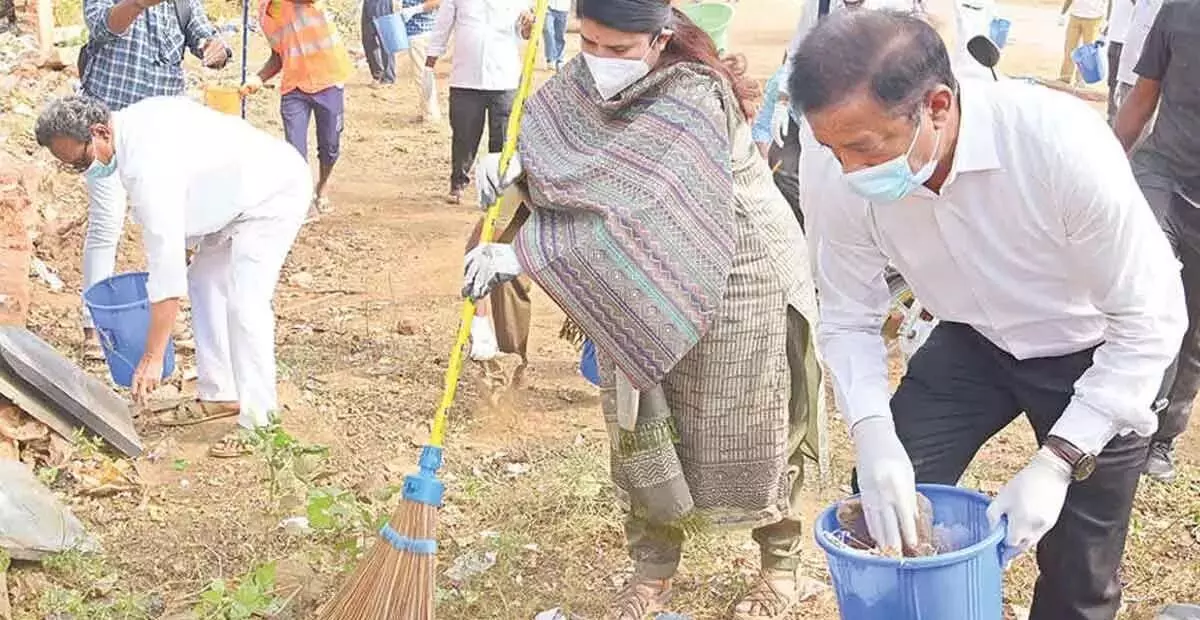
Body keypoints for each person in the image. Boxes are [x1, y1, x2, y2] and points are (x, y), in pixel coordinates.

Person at [791, 11, 1183, 620]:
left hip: (1097, 346)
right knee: (885, 506)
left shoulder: (1060, 145)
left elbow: (1151, 320)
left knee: (1079, 570)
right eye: (831, 149)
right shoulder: (840, 165)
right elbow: (847, 316)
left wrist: (1058, 461)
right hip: (972, 338)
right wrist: (872, 437)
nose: (848, 170)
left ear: (938, 105)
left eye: (865, 148)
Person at [464, 1, 824, 618]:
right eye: (591, 44)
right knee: (641, 413)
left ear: (660, 39)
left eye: (619, 49)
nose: (601, 61)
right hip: (633, 274)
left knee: (752, 421)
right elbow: (575, 156)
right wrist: (516, 165)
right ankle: (651, 571)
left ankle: (781, 567)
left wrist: (526, 258)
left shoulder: (693, 96)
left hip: (739, 270)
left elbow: (646, 205)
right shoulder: (585, 78)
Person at [35, 95, 312, 458]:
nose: (83, 171)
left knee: (246, 303)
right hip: (234, 199)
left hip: (272, 193)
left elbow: (167, 278)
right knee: (203, 281)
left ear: (100, 132)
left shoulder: (146, 167)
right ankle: (220, 392)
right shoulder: (131, 124)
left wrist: (152, 357)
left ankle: (260, 422)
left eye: (81, 161)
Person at [78, 0, 229, 362]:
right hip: (107, 129)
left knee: (171, 227)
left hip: (162, 138)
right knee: (106, 223)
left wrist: (214, 49)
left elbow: (203, 36)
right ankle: (94, 328)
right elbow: (102, 26)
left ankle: (163, 322)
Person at [1114, 0, 1200, 483]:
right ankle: (1128, 419)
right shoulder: (1180, 10)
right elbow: (1144, 96)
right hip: (1162, 173)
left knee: (1193, 328)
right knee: (1148, 295)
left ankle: (1163, 435)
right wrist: (1103, 164)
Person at [243, 0, 353, 218]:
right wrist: (258, 78)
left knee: (330, 146)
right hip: (294, 87)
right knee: (294, 152)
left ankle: (322, 186)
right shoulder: (265, 14)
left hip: (328, 79)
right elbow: (278, 56)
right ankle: (303, 200)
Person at [426, 0, 533, 204]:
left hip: (504, 78)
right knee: (464, 135)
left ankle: (497, 191)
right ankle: (458, 183)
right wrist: (430, 62)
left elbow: (525, 32)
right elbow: (443, 25)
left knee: (501, 139)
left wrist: (529, 24)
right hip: (466, 78)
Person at [1112, 0, 1164, 145]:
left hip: (1143, 82)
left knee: (1137, 138)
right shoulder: (1142, 4)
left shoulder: (1165, 7)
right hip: (1128, 74)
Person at [399, 0, 445, 121]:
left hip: (421, 33)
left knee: (422, 76)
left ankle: (430, 115)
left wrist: (413, 10)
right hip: (418, 32)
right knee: (421, 75)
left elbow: (437, 2)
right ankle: (426, 110)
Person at [1058, 0, 1111, 84]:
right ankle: (1065, 77)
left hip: (1094, 18)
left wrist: (1108, 20)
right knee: (1069, 48)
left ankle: (1081, 79)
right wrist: (1063, 13)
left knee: (1088, 53)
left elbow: (1110, 2)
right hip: (1075, 16)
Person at [1105, 0, 1135, 124]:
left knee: (1125, 85)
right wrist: (1106, 29)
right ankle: (1111, 116)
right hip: (1114, 39)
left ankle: (1121, 121)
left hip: (1127, 42)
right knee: (1112, 82)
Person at [543, 0, 571, 71]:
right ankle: (550, 58)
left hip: (563, 8)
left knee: (559, 36)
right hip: (547, 7)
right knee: (547, 30)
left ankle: (559, 59)